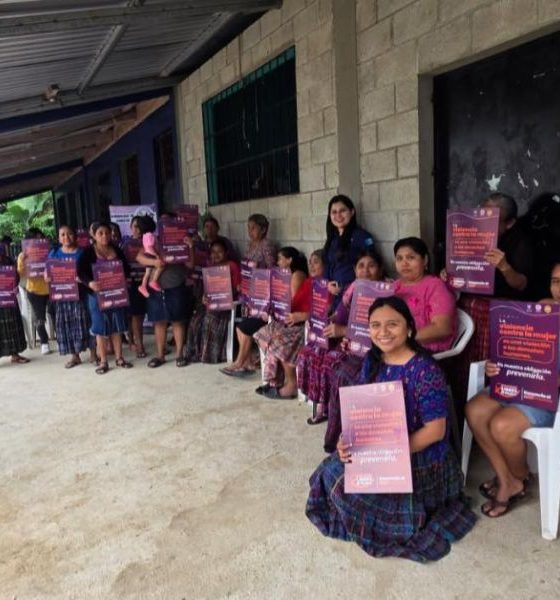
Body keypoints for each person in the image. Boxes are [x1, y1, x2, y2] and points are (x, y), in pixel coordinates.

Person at [306, 296, 476, 562]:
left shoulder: (425, 371)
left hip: (419, 457)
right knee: (329, 474)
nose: (383, 332)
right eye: (375, 325)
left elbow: (435, 431)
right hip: (378, 446)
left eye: (392, 324)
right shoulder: (373, 361)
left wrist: (391, 454)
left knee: (357, 498)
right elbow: (359, 410)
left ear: (409, 328)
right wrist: (345, 440)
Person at [465, 262, 560, 518]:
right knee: (475, 410)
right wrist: (498, 364)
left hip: (547, 394)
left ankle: (517, 477)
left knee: (502, 425)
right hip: (519, 380)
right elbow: (518, 347)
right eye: (555, 281)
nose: (558, 288)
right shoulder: (543, 307)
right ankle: (507, 478)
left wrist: (549, 378)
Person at [309, 248, 387, 451]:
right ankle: (325, 408)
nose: (366, 271)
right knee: (315, 352)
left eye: (371, 266)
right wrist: (329, 320)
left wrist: (343, 331)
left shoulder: (386, 291)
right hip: (351, 344)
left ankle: (342, 435)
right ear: (354, 270)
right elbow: (340, 315)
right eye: (361, 266)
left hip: (374, 350)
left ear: (380, 269)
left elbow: (382, 331)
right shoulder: (354, 289)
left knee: (339, 370)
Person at [220, 214, 276, 376]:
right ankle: (248, 361)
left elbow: (272, 272)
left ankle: (240, 362)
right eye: (248, 228)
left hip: (262, 296)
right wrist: (243, 283)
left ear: (263, 229)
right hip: (249, 294)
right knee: (243, 324)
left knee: (245, 326)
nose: (250, 231)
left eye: (253, 228)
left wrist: (257, 273)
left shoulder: (267, 246)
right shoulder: (250, 245)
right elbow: (246, 269)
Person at [136, 214, 193, 368]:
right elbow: (140, 257)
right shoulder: (154, 239)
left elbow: (190, 265)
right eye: (162, 221)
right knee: (159, 321)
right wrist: (155, 261)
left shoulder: (181, 239)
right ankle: (160, 356)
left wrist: (190, 247)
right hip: (156, 288)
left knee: (177, 320)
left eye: (168, 221)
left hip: (175, 284)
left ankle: (180, 354)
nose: (165, 224)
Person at [253, 247, 311, 399]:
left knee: (278, 342)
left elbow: (292, 302)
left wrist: (277, 299)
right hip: (286, 319)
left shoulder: (297, 275)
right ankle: (276, 379)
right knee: (262, 335)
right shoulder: (283, 276)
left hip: (298, 323)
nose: (277, 262)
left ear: (289, 260)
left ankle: (291, 384)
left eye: (280, 259)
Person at [77, 222, 133, 374]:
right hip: (97, 296)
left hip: (116, 293)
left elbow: (126, 269)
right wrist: (90, 283)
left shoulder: (117, 250)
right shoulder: (88, 252)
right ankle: (103, 361)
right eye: (100, 233)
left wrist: (121, 277)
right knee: (100, 328)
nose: (104, 236)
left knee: (117, 326)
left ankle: (119, 358)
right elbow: (80, 272)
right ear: (94, 235)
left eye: (107, 232)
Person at [394, 237, 456, 353]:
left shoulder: (435, 286)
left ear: (425, 260)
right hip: (397, 345)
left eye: (411, 257)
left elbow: (443, 328)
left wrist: (405, 337)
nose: (404, 263)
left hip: (426, 350)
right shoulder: (395, 286)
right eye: (399, 258)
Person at [183, 239, 240, 363]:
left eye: (219, 252)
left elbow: (237, 288)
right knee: (195, 320)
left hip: (227, 304)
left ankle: (209, 355)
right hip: (212, 303)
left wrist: (226, 295)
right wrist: (205, 297)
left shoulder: (232, 266)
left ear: (226, 252)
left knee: (210, 319)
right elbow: (208, 289)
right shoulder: (210, 267)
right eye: (213, 252)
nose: (216, 254)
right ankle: (194, 353)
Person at [46, 225, 91, 368]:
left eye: (69, 234)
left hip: (81, 295)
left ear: (75, 236)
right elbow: (47, 272)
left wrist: (82, 279)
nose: (66, 237)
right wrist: (48, 277)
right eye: (63, 234)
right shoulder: (54, 253)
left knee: (86, 323)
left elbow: (90, 273)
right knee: (67, 325)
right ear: (59, 238)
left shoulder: (83, 253)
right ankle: (75, 356)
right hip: (62, 296)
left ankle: (94, 353)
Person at [323, 194, 375, 309]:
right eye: (334, 212)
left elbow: (372, 265)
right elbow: (327, 264)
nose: (338, 215)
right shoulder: (332, 239)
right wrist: (327, 284)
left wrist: (353, 287)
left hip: (354, 295)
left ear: (352, 212)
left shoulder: (362, 237)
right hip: (334, 296)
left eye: (342, 211)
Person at [17, 227, 52, 355]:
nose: (39, 241)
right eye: (35, 239)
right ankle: (44, 342)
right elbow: (20, 273)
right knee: (39, 318)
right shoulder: (23, 255)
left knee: (56, 314)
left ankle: (62, 339)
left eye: (40, 238)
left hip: (52, 289)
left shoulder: (49, 251)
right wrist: (23, 260)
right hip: (34, 290)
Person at [0, 249, 29, 364]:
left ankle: (15, 355)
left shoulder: (9, 261)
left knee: (13, 326)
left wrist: (14, 285)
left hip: (9, 299)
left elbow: (16, 277)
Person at [125, 216, 148, 358]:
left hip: (147, 282)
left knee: (141, 314)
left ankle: (137, 342)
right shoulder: (126, 244)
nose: (137, 230)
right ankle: (139, 345)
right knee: (135, 315)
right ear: (130, 227)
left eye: (140, 227)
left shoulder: (149, 241)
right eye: (135, 226)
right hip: (132, 283)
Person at [137, 219, 163, 298]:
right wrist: (156, 255)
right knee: (161, 266)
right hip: (151, 255)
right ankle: (153, 281)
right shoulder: (151, 235)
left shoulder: (144, 235)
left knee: (147, 272)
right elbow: (150, 247)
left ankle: (143, 286)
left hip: (147, 254)